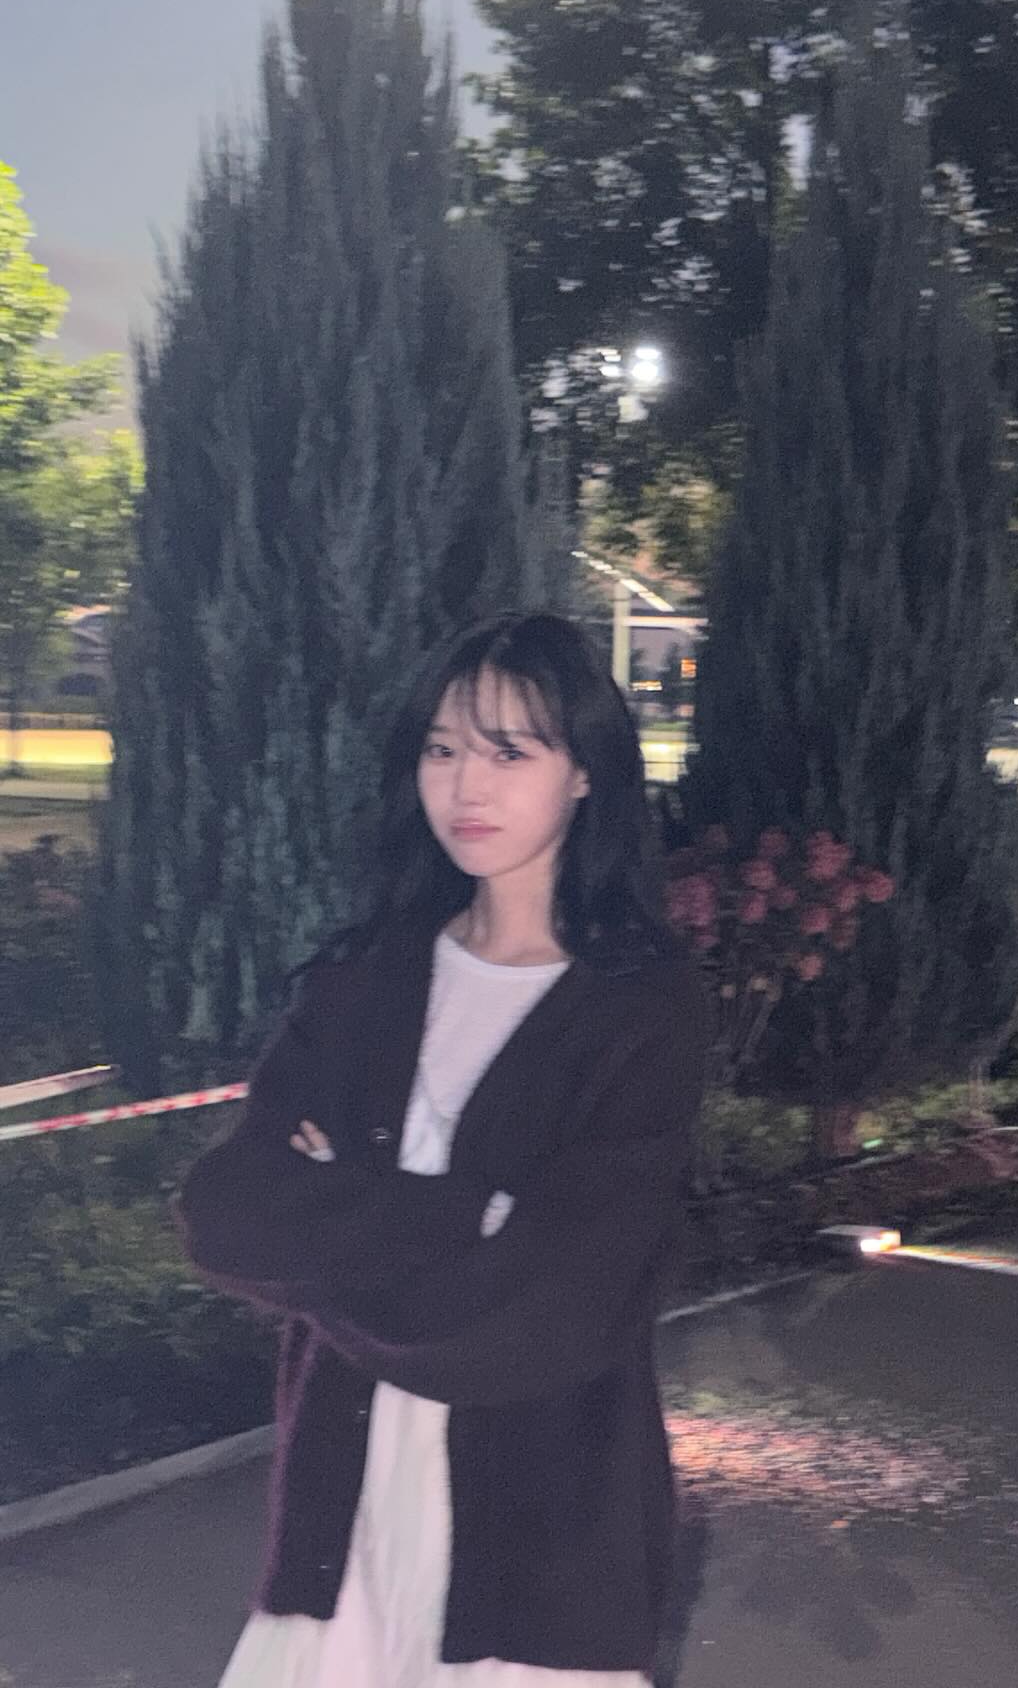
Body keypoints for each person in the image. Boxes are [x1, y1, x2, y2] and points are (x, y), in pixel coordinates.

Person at [179, 613, 710, 1688]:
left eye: (510, 751)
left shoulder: (640, 1011)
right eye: (442, 747)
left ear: (584, 773)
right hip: (340, 1527)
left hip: (540, 1546)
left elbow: (553, 1312)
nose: (467, 785)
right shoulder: (366, 977)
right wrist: (470, 1216)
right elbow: (227, 1214)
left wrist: (336, 1232)